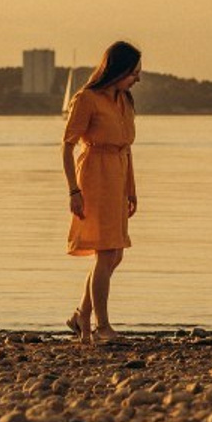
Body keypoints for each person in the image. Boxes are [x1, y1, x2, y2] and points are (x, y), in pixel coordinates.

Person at [62, 40, 141, 344]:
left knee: (114, 254)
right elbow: (67, 146)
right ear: (118, 70)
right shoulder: (87, 99)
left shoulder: (125, 101)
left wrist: (131, 189)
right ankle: (102, 326)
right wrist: (73, 190)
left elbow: (126, 148)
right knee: (106, 253)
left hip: (118, 177)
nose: (138, 79)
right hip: (95, 177)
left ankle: (82, 315)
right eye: (133, 72)